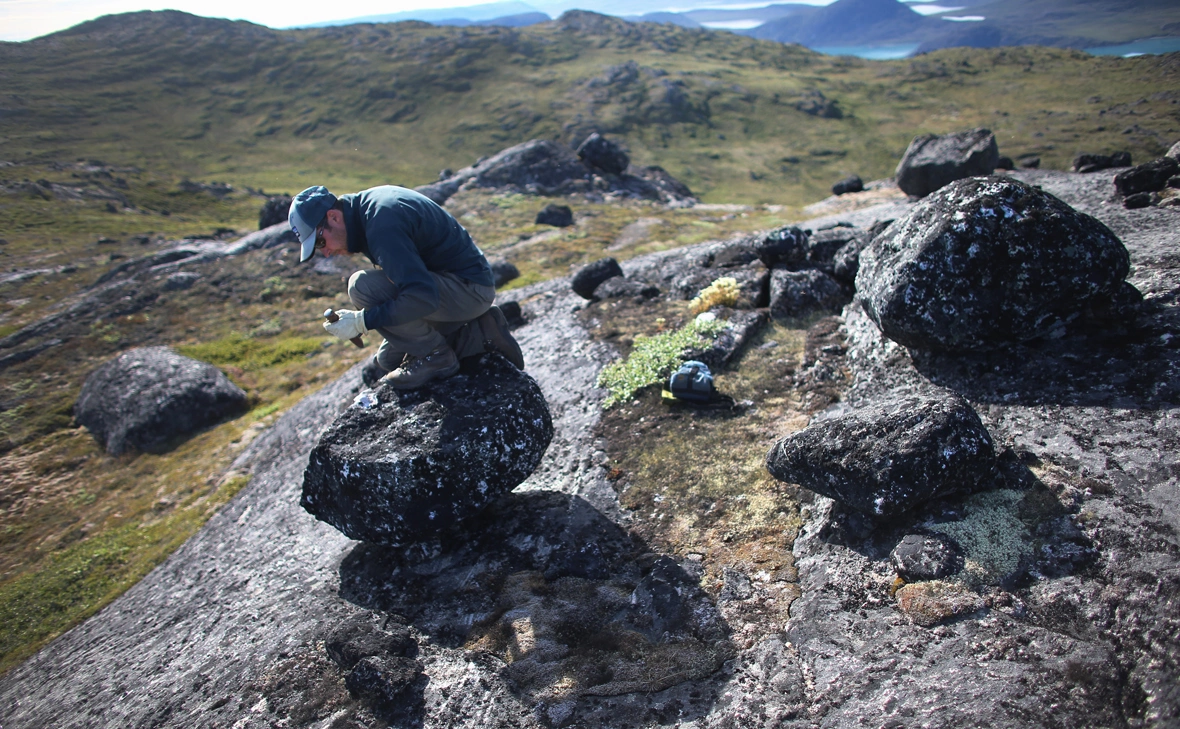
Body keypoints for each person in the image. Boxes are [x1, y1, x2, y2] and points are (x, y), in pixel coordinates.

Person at [289, 184, 509, 389]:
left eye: (320, 242)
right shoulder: (365, 211)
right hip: (456, 286)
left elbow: (422, 297)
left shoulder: (381, 225)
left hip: (469, 290)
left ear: (333, 217)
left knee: (362, 286)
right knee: (388, 359)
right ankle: (476, 330)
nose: (325, 252)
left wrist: (362, 321)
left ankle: (438, 357)